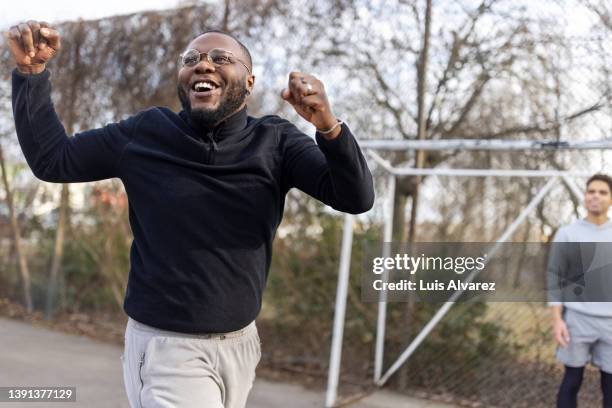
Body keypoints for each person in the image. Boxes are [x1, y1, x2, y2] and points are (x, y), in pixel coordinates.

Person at [7, 20, 374, 408]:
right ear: (182, 79)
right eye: (192, 59)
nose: (203, 65)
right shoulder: (147, 133)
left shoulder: (275, 141)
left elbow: (355, 197)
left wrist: (329, 129)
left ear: (249, 83)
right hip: (169, 346)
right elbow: (54, 160)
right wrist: (31, 75)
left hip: (241, 344)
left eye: (220, 58)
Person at [548, 173, 612, 408]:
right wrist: (557, 320)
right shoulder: (568, 233)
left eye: (603, 192)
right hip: (576, 320)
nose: (596, 196)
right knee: (571, 380)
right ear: (585, 197)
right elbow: (555, 278)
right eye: (591, 191)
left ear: (611, 198)